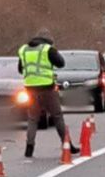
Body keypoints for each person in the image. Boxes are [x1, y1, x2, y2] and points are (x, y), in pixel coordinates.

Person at [19, 30, 78, 158]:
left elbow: (20, 68)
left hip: (30, 89)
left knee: (33, 119)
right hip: (47, 88)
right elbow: (61, 63)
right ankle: (67, 144)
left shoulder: (24, 50)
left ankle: (29, 148)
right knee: (57, 116)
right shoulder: (48, 49)